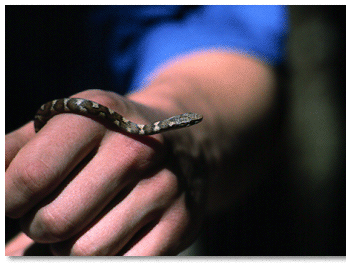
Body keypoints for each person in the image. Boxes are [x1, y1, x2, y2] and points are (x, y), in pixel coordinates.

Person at [5, 5, 288, 256]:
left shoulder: (147, 136)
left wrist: (185, 140)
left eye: (185, 123)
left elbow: (233, 38)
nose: (187, 124)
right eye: (185, 123)